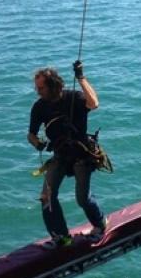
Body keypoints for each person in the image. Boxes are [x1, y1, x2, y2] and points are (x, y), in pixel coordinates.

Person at [27, 61, 107, 248]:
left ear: (53, 85)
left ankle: (100, 224)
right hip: (60, 155)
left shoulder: (74, 98)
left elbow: (94, 103)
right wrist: (37, 143)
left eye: (41, 88)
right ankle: (61, 237)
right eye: (36, 88)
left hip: (82, 155)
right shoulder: (39, 107)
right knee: (47, 197)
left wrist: (80, 77)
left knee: (82, 199)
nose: (38, 91)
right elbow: (30, 134)